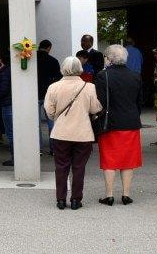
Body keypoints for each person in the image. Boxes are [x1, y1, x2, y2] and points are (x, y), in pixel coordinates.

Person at [45, 56, 103, 210]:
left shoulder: (53, 87)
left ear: (63, 68)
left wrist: (58, 117)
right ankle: (76, 200)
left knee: (61, 167)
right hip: (83, 133)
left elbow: (49, 112)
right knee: (79, 167)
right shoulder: (89, 87)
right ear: (80, 69)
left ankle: (60, 200)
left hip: (60, 133)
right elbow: (95, 109)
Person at [94, 45, 143, 206]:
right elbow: (139, 102)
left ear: (108, 59)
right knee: (128, 160)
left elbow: (100, 102)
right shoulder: (135, 76)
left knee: (109, 159)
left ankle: (109, 196)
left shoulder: (102, 76)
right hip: (130, 122)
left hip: (109, 123)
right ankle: (126, 195)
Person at [37, 40, 62, 153]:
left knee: (36, 123)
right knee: (51, 121)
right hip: (49, 93)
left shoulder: (32, 59)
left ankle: (38, 149)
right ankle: (53, 149)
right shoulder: (53, 61)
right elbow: (58, 78)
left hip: (35, 93)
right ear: (49, 48)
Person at [0, 57, 13, 166]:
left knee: (10, 133)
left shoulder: (5, 72)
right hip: (12, 102)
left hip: (7, 103)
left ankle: (14, 157)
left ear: (1, 60)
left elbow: (3, 89)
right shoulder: (12, 70)